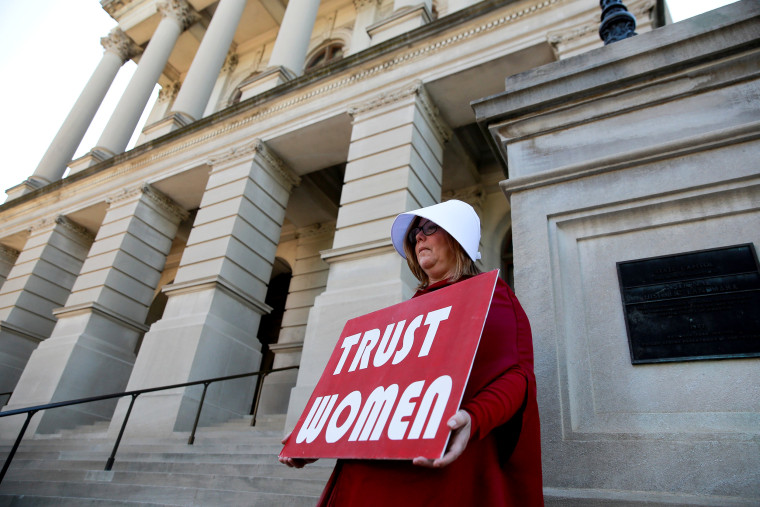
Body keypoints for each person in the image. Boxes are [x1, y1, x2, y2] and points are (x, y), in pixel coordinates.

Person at [280, 199, 543, 506]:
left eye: (430, 227)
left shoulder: (494, 296)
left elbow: (517, 376)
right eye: (416, 231)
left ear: (458, 238)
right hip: (366, 475)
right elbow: (367, 392)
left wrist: (475, 417)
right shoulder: (402, 314)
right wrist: (316, 436)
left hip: (435, 475)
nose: (419, 236)